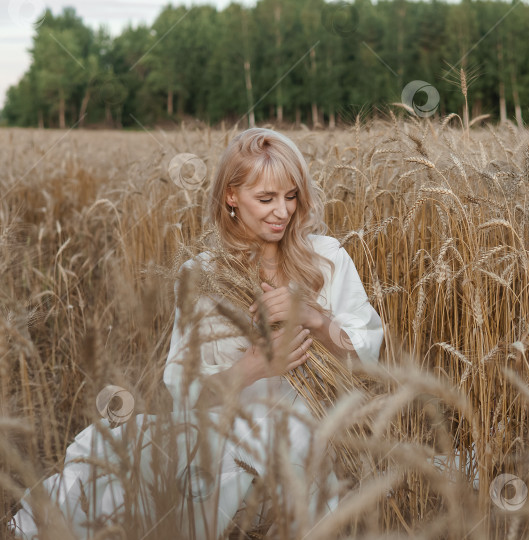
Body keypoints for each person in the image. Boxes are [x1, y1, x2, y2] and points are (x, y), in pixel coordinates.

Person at [10, 128, 384, 538]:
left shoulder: (327, 259)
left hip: (310, 428)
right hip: (219, 424)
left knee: (239, 463)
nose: (283, 212)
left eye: (291, 196)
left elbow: (364, 361)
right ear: (231, 197)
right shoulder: (200, 275)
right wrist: (256, 366)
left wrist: (317, 319)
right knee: (113, 448)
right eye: (266, 199)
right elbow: (187, 394)